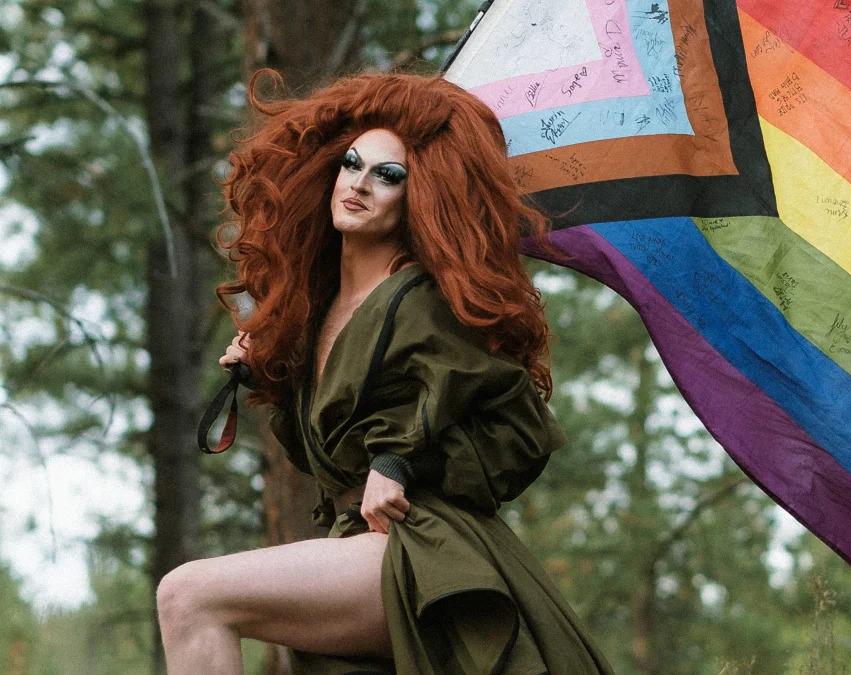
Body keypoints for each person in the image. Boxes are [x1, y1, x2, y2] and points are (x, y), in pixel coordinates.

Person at [156, 70, 613, 674]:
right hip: (358, 545)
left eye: (388, 175)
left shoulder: (423, 298)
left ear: (422, 193)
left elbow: (518, 422)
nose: (359, 184)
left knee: (188, 595)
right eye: (351, 164)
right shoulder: (318, 311)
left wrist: (400, 462)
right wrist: (272, 379)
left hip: (424, 548)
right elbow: (326, 456)